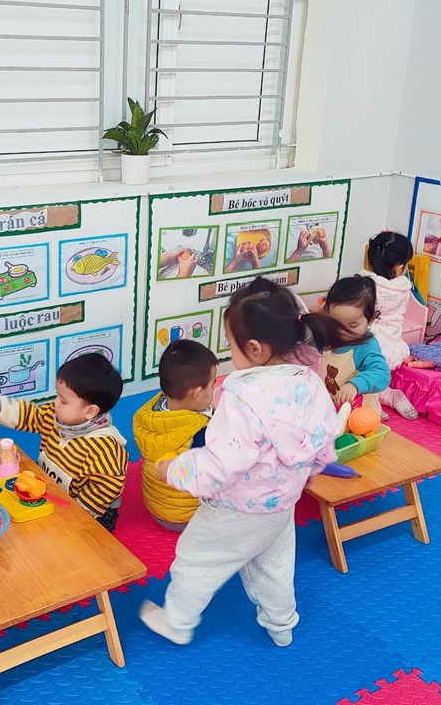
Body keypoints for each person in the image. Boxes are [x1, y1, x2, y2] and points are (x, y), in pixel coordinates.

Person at [139, 277, 343, 648]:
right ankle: (281, 624)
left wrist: (175, 470)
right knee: (274, 567)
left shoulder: (242, 396)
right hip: (281, 504)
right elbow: (324, 439)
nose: (229, 354)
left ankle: (177, 621)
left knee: (195, 561)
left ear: (254, 348)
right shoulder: (310, 382)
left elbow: (220, 466)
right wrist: (311, 471)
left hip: (235, 509)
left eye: (230, 345)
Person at [0, 353, 128, 531]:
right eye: (57, 395)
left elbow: (105, 487)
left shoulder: (105, 449)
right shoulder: (55, 415)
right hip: (53, 491)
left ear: (90, 411)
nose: (56, 403)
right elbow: (30, 415)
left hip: (92, 509)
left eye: (63, 401)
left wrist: (78, 516)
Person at [134, 340, 218, 531]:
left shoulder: (151, 412)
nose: (215, 389)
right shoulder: (200, 432)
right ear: (198, 393)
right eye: (213, 385)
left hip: (156, 506)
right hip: (187, 517)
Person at [360, 231, 420, 419]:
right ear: (400, 267)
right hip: (393, 348)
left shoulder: (364, 284)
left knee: (354, 371)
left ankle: (373, 400)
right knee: (376, 374)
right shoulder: (403, 287)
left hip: (371, 347)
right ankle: (390, 395)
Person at [320, 275, 392, 411]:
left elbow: (382, 374)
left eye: (352, 326)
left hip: (359, 413)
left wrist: (355, 385)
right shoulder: (328, 337)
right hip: (332, 410)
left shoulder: (366, 346)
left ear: (370, 320)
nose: (342, 332)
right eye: (336, 324)